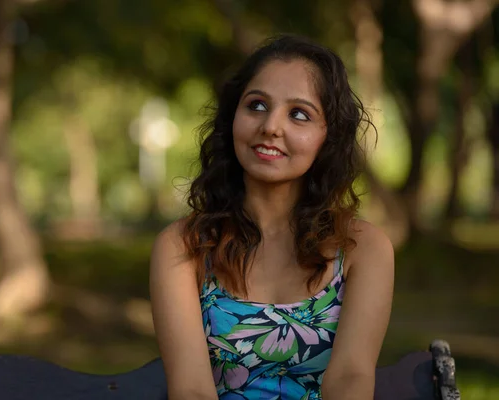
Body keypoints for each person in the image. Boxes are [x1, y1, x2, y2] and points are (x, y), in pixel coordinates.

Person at [149, 34, 394, 400]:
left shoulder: (363, 248)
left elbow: (350, 381)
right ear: (234, 116)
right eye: (257, 105)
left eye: (299, 114)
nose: (271, 126)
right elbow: (191, 390)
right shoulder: (183, 246)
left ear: (328, 137)